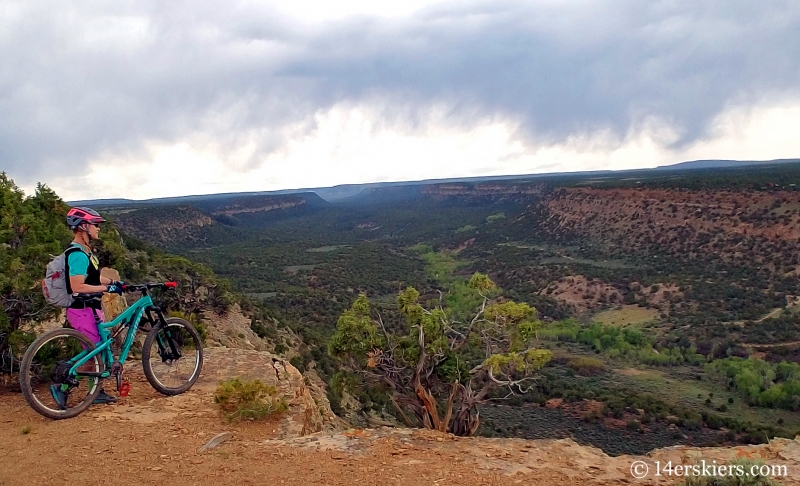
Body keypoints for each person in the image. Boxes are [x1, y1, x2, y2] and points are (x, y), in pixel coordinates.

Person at [50, 207, 125, 408]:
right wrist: (105, 287)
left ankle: (96, 390)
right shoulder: (77, 254)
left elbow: (91, 276)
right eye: (95, 225)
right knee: (92, 351)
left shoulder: (85, 252)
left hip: (90, 308)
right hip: (81, 309)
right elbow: (77, 285)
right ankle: (62, 387)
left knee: (98, 348)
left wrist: (115, 283)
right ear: (83, 226)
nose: (98, 229)